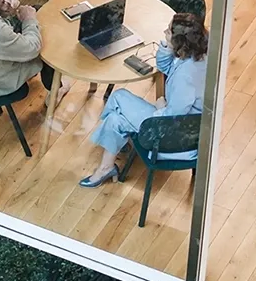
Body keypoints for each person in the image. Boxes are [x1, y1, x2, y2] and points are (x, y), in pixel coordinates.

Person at [80, 13, 208, 187]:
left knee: (118, 97)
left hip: (175, 136)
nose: (165, 32)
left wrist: (161, 106)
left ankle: (117, 142)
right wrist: (167, 46)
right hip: (180, 125)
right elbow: (165, 67)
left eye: (169, 32)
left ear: (180, 41)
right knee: (115, 119)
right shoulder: (198, 56)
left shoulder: (186, 76)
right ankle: (106, 167)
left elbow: (174, 116)